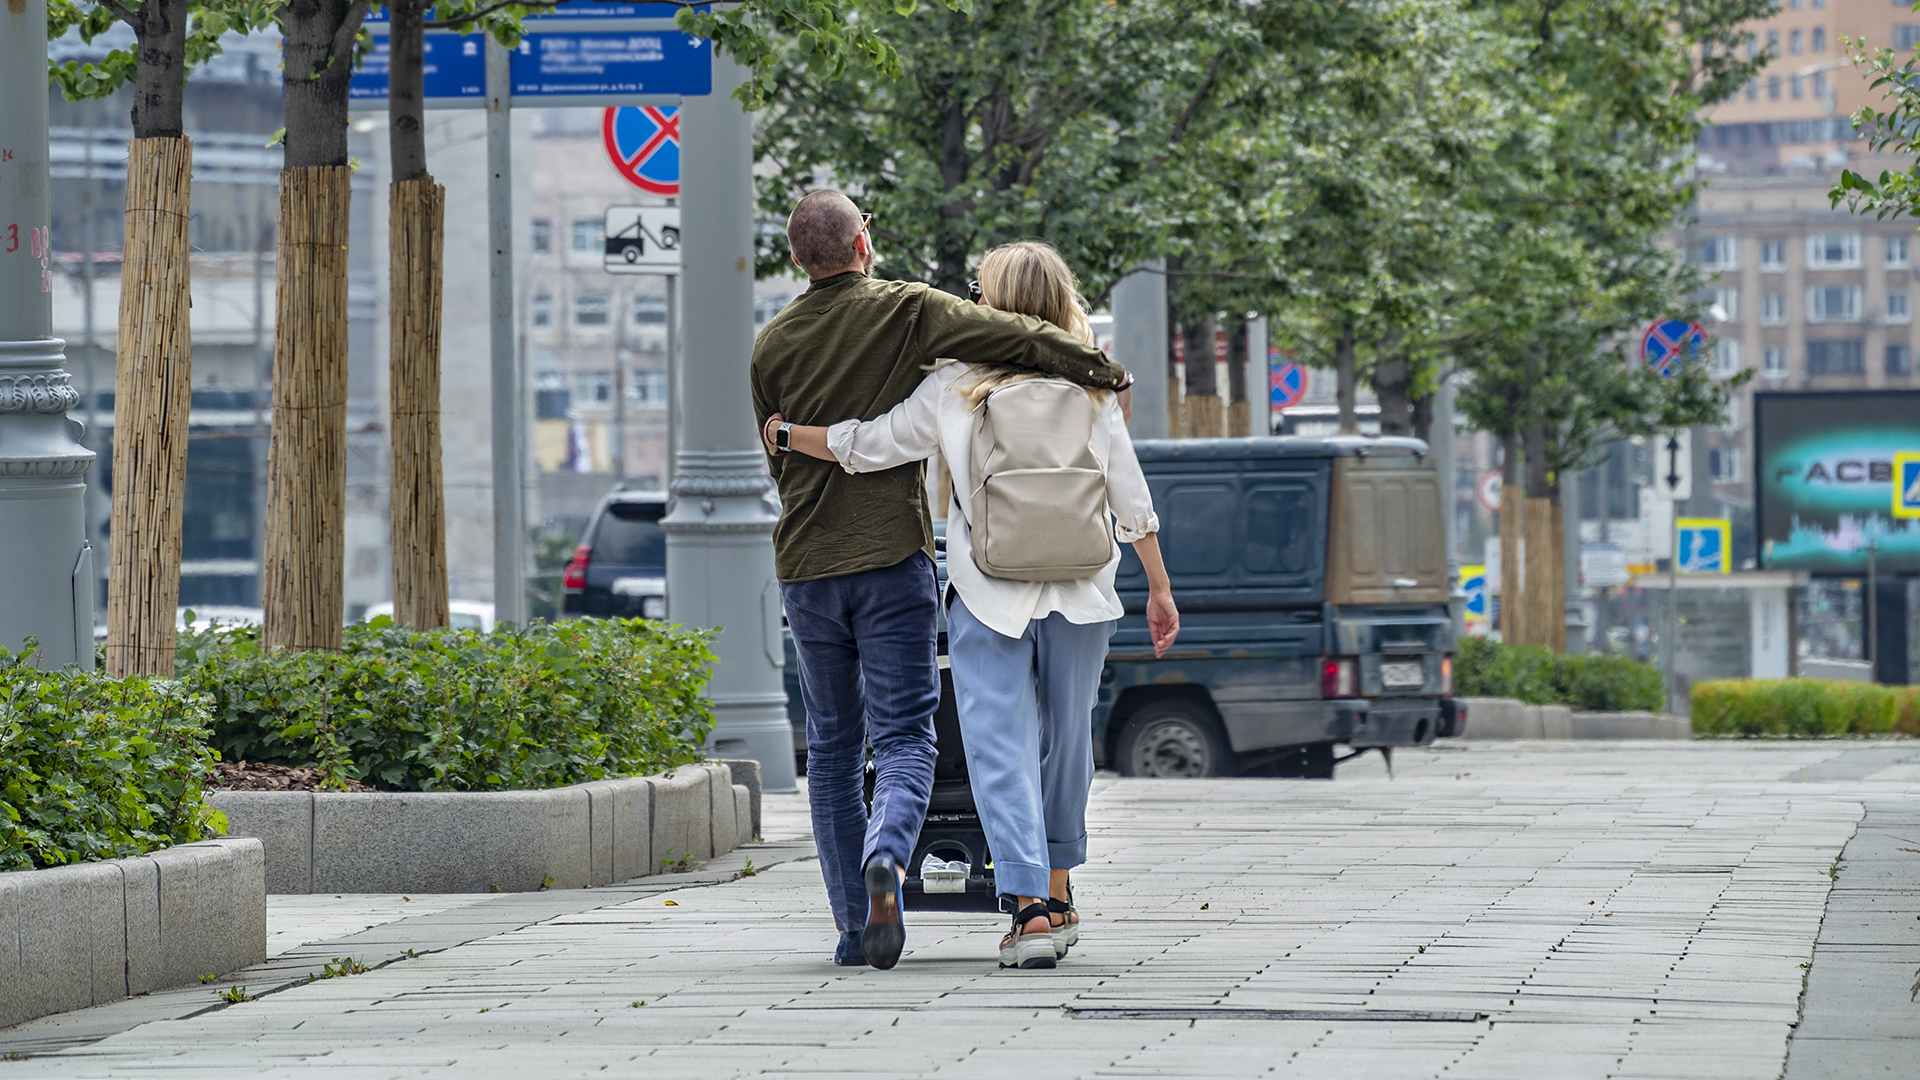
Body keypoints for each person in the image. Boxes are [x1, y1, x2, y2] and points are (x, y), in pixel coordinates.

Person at [764, 241, 1180, 969]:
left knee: (999, 749)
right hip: (1084, 590)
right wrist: (1161, 586)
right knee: (1067, 746)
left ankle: (1028, 911)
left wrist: (791, 436)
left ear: (996, 306)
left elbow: (872, 445)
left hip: (989, 592)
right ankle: (1058, 885)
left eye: (982, 295)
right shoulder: (1091, 381)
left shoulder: (956, 386)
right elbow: (1128, 490)